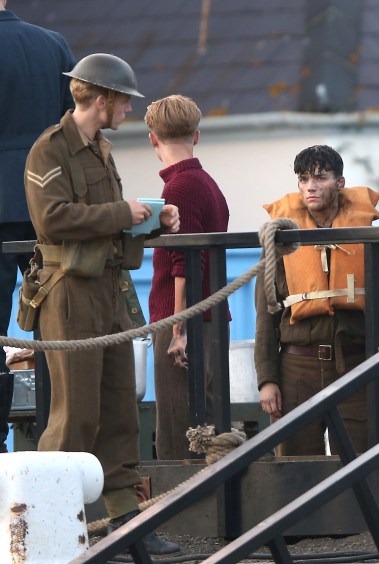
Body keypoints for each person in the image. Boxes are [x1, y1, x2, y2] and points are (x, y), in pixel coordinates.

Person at [24, 53, 181, 554]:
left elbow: (102, 219)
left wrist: (150, 220)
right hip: (69, 294)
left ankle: (127, 525)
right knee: (75, 414)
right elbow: (53, 218)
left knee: (118, 411)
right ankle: (46, 524)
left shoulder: (100, 149)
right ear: (102, 98)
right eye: (124, 101)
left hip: (106, 290)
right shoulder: (51, 149)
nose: (130, 110)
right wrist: (122, 211)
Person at [255, 145, 379, 456]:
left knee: (364, 465)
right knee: (295, 471)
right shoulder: (280, 239)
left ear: (340, 183)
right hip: (296, 368)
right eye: (303, 180)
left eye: (320, 178)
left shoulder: (369, 237)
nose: (311, 187)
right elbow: (266, 315)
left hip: (357, 364)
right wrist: (267, 379)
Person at [0, 0, 75, 453]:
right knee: (53, 325)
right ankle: (58, 436)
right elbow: (74, 127)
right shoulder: (54, 45)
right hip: (46, 202)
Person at [145, 95, 230, 460]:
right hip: (209, 316)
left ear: (152, 138)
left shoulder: (179, 186)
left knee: (179, 433)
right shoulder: (206, 181)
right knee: (206, 427)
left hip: (185, 320)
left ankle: (180, 513)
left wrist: (178, 329)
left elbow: (185, 264)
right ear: (196, 135)